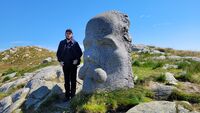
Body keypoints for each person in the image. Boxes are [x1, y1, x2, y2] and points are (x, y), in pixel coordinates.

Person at [56, 29, 82, 101]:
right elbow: (58, 53)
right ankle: (67, 96)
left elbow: (80, 53)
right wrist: (60, 61)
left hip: (73, 65)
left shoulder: (75, 43)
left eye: (69, 33)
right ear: (65, 34)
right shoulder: (62, 43)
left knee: (73, 80)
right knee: (66, 81)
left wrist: (76, 59)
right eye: (67, 33)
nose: (68, 34)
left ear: (72, 34)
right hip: (65, 65)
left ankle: (73, 95)